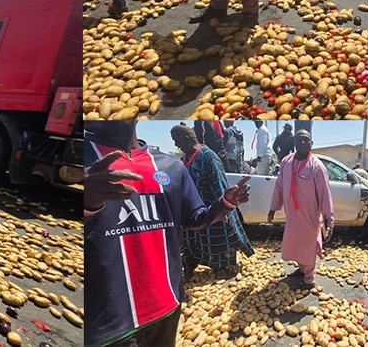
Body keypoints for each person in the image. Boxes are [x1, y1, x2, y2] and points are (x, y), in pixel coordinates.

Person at [84, 120, 251, 347]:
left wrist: (225, 204)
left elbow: (194, 217)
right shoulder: (80, 159)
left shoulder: (170, 166)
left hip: (166, 306)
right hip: (109, 323)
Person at [172, 125, 255, 281]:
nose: (176, 145)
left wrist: (224, 210)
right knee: (192, 240)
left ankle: (224, 268)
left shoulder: (209, 156)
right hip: (193, 210)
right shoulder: (183, 160)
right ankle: (189, 266)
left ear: (187, 139)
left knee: (217, 240)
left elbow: (219, 182)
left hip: (212, 207)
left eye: (177, 141)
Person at [268, 130, 334, 289]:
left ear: (311, 144)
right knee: (295, 244)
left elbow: (325, 194)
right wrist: (273, 208)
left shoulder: (317, 166)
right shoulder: (286, 162)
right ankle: (302, 268)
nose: (303, 143)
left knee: (308, 245)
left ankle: (309, 280)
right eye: (299, 140)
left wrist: (329, 220)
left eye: (306, 140)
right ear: (294, 143)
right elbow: (279, 186)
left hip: (310, 216)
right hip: (292, 216)